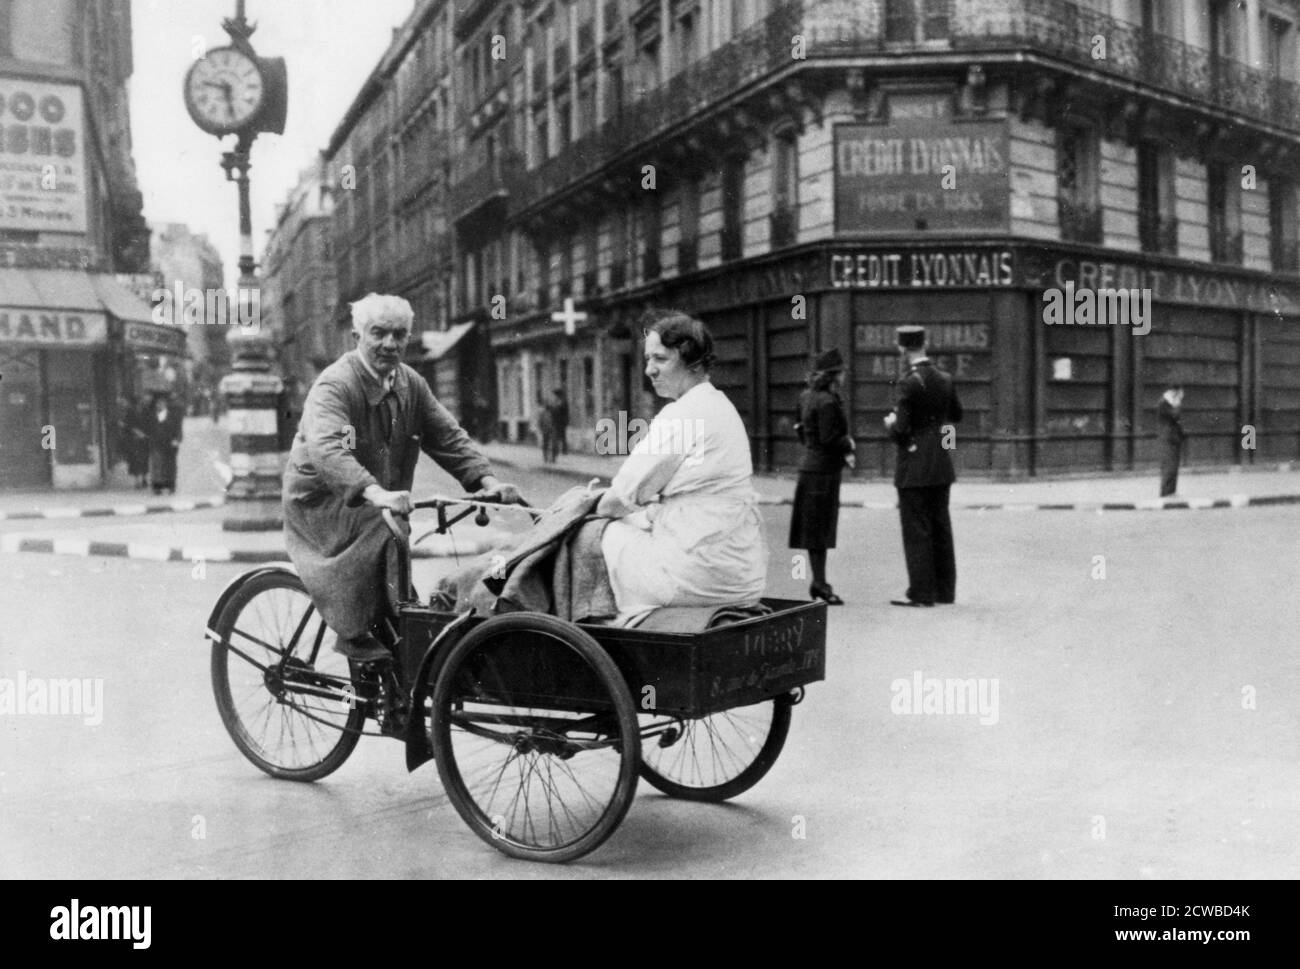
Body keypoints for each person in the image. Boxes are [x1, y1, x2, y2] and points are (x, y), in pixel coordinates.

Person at [284, 293, 520, 662]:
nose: (390, 344)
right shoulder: (336, 385)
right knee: (383, 526)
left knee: (392, 535)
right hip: (323, 501)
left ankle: (399, 650)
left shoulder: (411, 383)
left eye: (399, 335)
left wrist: (487, 482)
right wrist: (374, 491)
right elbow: (327, 448)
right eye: (379, 333)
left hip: (375, 502)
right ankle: (355, 634)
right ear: (356, 336)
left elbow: (447, 436)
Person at [596, 310, 767, 623]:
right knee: (634, 527)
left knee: (594, 535)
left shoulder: (682, 415)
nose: (649, 370)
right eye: (647, 359)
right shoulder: (720, 405)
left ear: (691, 359)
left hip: (696, 575)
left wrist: (585, 507)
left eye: (660, 359)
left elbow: (622, 496)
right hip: (742, 573)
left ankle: (595, 626)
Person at [884, 325, 962, 607]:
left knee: (917, 529)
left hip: (914, 464)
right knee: (940, 525)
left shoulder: (908, 383)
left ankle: (921, 593)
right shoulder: (945, 378)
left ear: (904, 349)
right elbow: (956, 414)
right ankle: (945, 591)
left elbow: (902, 429)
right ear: (924, 344)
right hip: (941, 461)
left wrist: (891, 424)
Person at [789, 348, 854, 605]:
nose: (845, 376)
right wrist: (849, 444)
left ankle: (819, 582)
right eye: (842, 372)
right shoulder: (827, 401)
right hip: (823, 472)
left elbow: (800, 430)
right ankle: (820, 584)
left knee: (814, 531)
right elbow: (830, 438)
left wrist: (812, 445)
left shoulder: (806, 396)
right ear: (833, 375)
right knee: (820, 530)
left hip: (810, 468)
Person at [146, 392, 183, 495]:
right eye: (158, 403)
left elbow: (178, 429)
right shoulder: (152, 415)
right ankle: (157, 487)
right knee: (157, 465)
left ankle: (171, 485)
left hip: (170, 444)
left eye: (162, 403)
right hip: (156, 444)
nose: (159, 405)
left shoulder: (173, 415)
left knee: (170, 465)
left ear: (166, 404)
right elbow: (148, 429)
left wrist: (177, 439)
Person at [1157, 386, 1186, 497]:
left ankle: (1171, 491)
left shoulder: (1168, 402)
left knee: (1174, 466)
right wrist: (1178, 403)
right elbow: (1174, 415)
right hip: (1168, 438)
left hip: (1174, 438)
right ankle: (1165, 492)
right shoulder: (1164, 403)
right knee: (1169, 465)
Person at [120, 395, 149, 488]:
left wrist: (145, 434)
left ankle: (144, 478)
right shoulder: (130, 412)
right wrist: (134, 430)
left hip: (144, 438)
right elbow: (127, 425)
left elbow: (151, 423)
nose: (139, 404)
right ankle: (137, 480)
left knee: (144, 459)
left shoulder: (146, 411)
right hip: (133, 439)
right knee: (135, 459)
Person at [536, 394, 557, 463]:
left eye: (549, 403)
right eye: (547, 403)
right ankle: (545, 457)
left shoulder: (553, 412)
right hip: (545, 430)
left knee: (554, 444)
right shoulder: (543, 413)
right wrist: (541, 428)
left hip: (553, 429)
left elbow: (556, 420)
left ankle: (553, 458)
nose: (548, 405)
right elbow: (540, 421)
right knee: (546, 444)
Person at [551, 387, 570, 456]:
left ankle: (563, 450)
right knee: (560, 436)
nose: (555, 396)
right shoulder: (558, 401)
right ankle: (560, 450)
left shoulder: (563, 401)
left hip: (561, 422)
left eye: (556, 394)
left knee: (561, 436)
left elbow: (563, 411)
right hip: (557, 421)